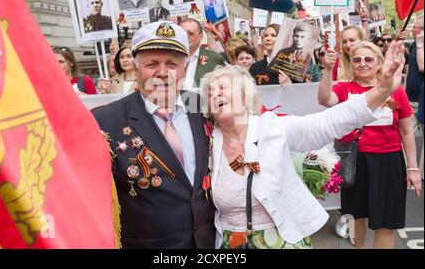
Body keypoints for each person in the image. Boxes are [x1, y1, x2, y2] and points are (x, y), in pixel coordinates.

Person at [199, 42, 410, 248]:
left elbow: (327, 122)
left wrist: (382, 89)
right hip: (228, 243)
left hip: (281, 239)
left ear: (244, 96)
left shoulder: (271, 126)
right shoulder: (206, 141)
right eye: (209, 93)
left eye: (223, 88)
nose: (215, 94)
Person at [93, 21, 216, 248]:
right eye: (152, 64)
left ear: (185, 68)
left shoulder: (205, 108)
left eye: (172, 64)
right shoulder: (105, 122)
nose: (162, 73)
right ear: (136, 68)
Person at [317, 41, 421, 249]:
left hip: (389, 162)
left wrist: (413, 168)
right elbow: (325, 99)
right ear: (351, 63)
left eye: (368, 59)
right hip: (356, 162)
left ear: (380, 63)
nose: (362, 63)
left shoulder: (395, 90)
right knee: (356, 218)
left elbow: (406, 131)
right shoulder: (345, 89)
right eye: (357, 59)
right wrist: (328, 70)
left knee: (387, 222)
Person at [180, 18, 225, 89]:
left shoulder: (213, 59)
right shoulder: (169, 57)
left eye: (191, 33)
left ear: (201, 37)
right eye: (183, 33)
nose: (186, 36)